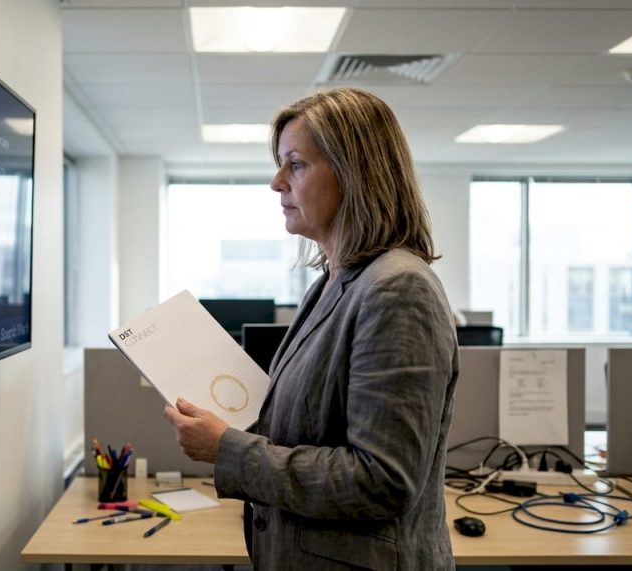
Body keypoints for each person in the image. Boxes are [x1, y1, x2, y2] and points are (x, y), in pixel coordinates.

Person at [164, 87, 459, 570]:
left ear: (355, 173)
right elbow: (310, 429)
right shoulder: (332, 282)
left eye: (296, 164)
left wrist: (229, 451)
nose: (276, 182)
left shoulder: (398, 288)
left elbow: (382, 480)